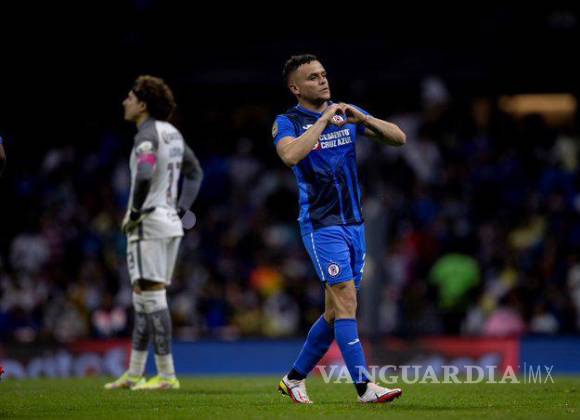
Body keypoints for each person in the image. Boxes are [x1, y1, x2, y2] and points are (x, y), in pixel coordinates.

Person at [273, 55, 406, 404]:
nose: (322, 80)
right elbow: (290, 156)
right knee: (346, 300)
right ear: (295, 87)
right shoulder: (287, 122)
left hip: (354, 224)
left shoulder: (345, 114)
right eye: (312, 77)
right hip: (321, 225)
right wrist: (322, 121)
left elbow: (399, 138)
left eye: (323, 74)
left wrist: (364, 119)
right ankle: (364, 387)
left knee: (335, 312)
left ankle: (294, 379)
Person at [104, 75, 203, 390]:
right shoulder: (172, 133)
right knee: (143, 298)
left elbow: (145, 173)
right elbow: (195, 172)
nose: (125, 102)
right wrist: (181, 209)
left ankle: (166, 375)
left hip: (148, 223)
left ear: (143, 105)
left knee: (153, 297)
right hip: (169, 222)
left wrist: (134, 211)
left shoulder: (146, 134)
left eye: (130, 97)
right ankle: (134, 374)